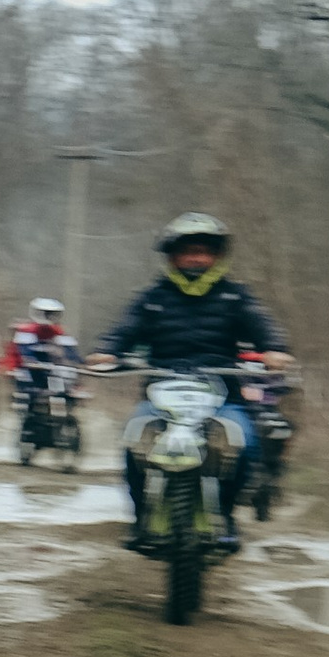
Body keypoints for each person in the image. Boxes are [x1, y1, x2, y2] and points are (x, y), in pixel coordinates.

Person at [97, 211, 284, 551]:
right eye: (187, 251)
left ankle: (225, 514)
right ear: (173, 256)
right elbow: (124, 329)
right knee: (133, 440)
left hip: (223, 393)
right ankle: (140, 518)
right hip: (161, 396)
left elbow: (262, 326)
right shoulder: (153, 297)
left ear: (216, 256)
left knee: (247, 446)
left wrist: (275, 350)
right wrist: (108, 351)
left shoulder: (235, 297)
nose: (196, 257)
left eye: (203, 251)